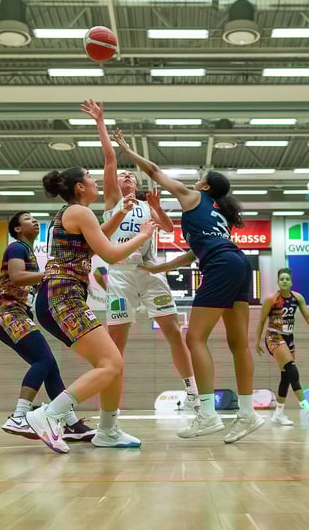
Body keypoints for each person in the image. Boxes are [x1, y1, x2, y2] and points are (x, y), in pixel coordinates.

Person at [119, 140, 264, 444]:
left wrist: (127, 150)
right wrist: (159, 268)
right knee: (239, 344)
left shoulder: (193, 196)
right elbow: (194, 253)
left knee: (194, 338)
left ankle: (208, 415)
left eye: (200, 179)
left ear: (206, 186)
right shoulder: (220, 214)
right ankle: (248, 413)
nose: (195, 181)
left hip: (221, 265)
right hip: (239, 262)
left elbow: (156, 172)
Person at [80, 101, 201, 414]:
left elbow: (170, 228)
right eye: (121, 175)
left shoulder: (148, 205)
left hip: (149, 272)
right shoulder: (111, 200)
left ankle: (192, 393)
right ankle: (111, 411)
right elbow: (109, 159)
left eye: (130, 175)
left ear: (137, 182)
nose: (125, 176)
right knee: (116, 344)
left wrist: (159, 209)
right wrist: (100, 123)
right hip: (119, 273)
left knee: (174, 332)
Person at [25, 167, 157, 453]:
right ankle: (49, 414)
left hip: (60, 298)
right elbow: (110, 253)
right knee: (112, 364)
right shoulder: (79, 212)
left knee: (110, 364)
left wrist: (120, 215)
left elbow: (93, 245)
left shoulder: (75, 214)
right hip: (62, 297)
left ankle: (107, 431)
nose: (95, 180)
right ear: (80, 187)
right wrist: (143, 234)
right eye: (89, 177)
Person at [0, 211, 94, 442]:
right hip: (8, 312)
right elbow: (17, 277)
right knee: (45, 361)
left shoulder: (30, 254)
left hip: (19, 314)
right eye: (27, 218)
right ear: (17, 229)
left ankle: (71, 424)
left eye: (35, 218)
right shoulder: (16, 248)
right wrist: (49, 275)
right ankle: (19, 417)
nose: (34, 220)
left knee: (50, 366)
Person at [256, 268, 309, 426]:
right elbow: (261, 321)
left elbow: (307, 316)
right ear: (278, 282)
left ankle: (278, 414)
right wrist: (257, 342)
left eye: (287, 279)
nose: (284, 281)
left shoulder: (297, 298)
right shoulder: (271, 299)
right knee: (292, 368)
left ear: (291, 281)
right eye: (282, 279)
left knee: (286, 376)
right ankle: (308, 409)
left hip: (288, 338)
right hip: (273, 336)